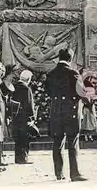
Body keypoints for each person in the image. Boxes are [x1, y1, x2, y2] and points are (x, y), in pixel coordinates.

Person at [45, 49, 87, 181]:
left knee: (57, 142)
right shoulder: (73, 73)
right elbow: (81, 92)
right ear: (71, 58)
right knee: (73, 141)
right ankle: (74, 174)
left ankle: (59, 173)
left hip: (56, 111)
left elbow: (48, 92)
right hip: (71, 112)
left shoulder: (50, 73)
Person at [12, 70, 36, 164]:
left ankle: (18, 158)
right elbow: (29, 105)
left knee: (18, 139)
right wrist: (31, 118)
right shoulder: (26, 89)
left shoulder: (15, 87)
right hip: (24, 117)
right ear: (28, 79)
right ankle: (23, 158)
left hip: (16, 117)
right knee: (25, 138)